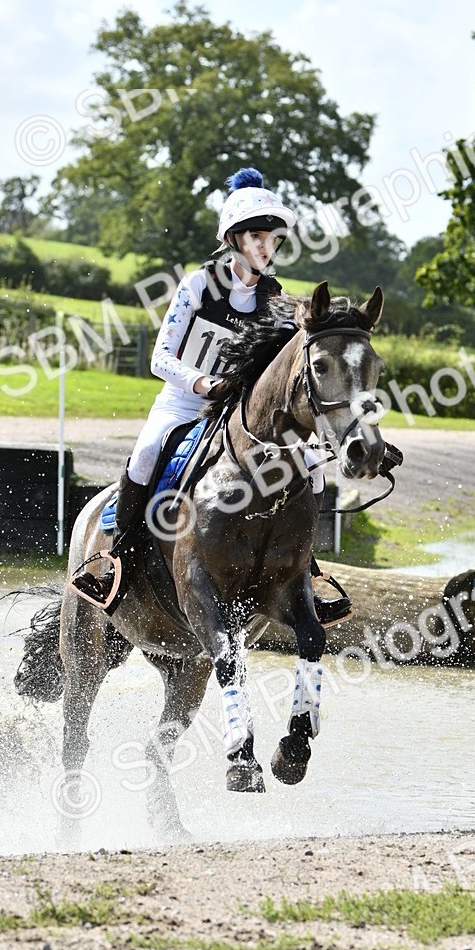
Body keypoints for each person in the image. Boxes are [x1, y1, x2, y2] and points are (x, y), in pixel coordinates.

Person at [71, 167, 353, 626]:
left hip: (236, 411)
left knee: (311, 471)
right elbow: (160, 358)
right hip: (183, 401)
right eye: (258, 237)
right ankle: (114, 561)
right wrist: (202, 384)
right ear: (235, 238)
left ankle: (308, 571)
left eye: (273, 239)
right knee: (144, 454)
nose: (267, 247)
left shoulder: (274, 295)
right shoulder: (198, 285)